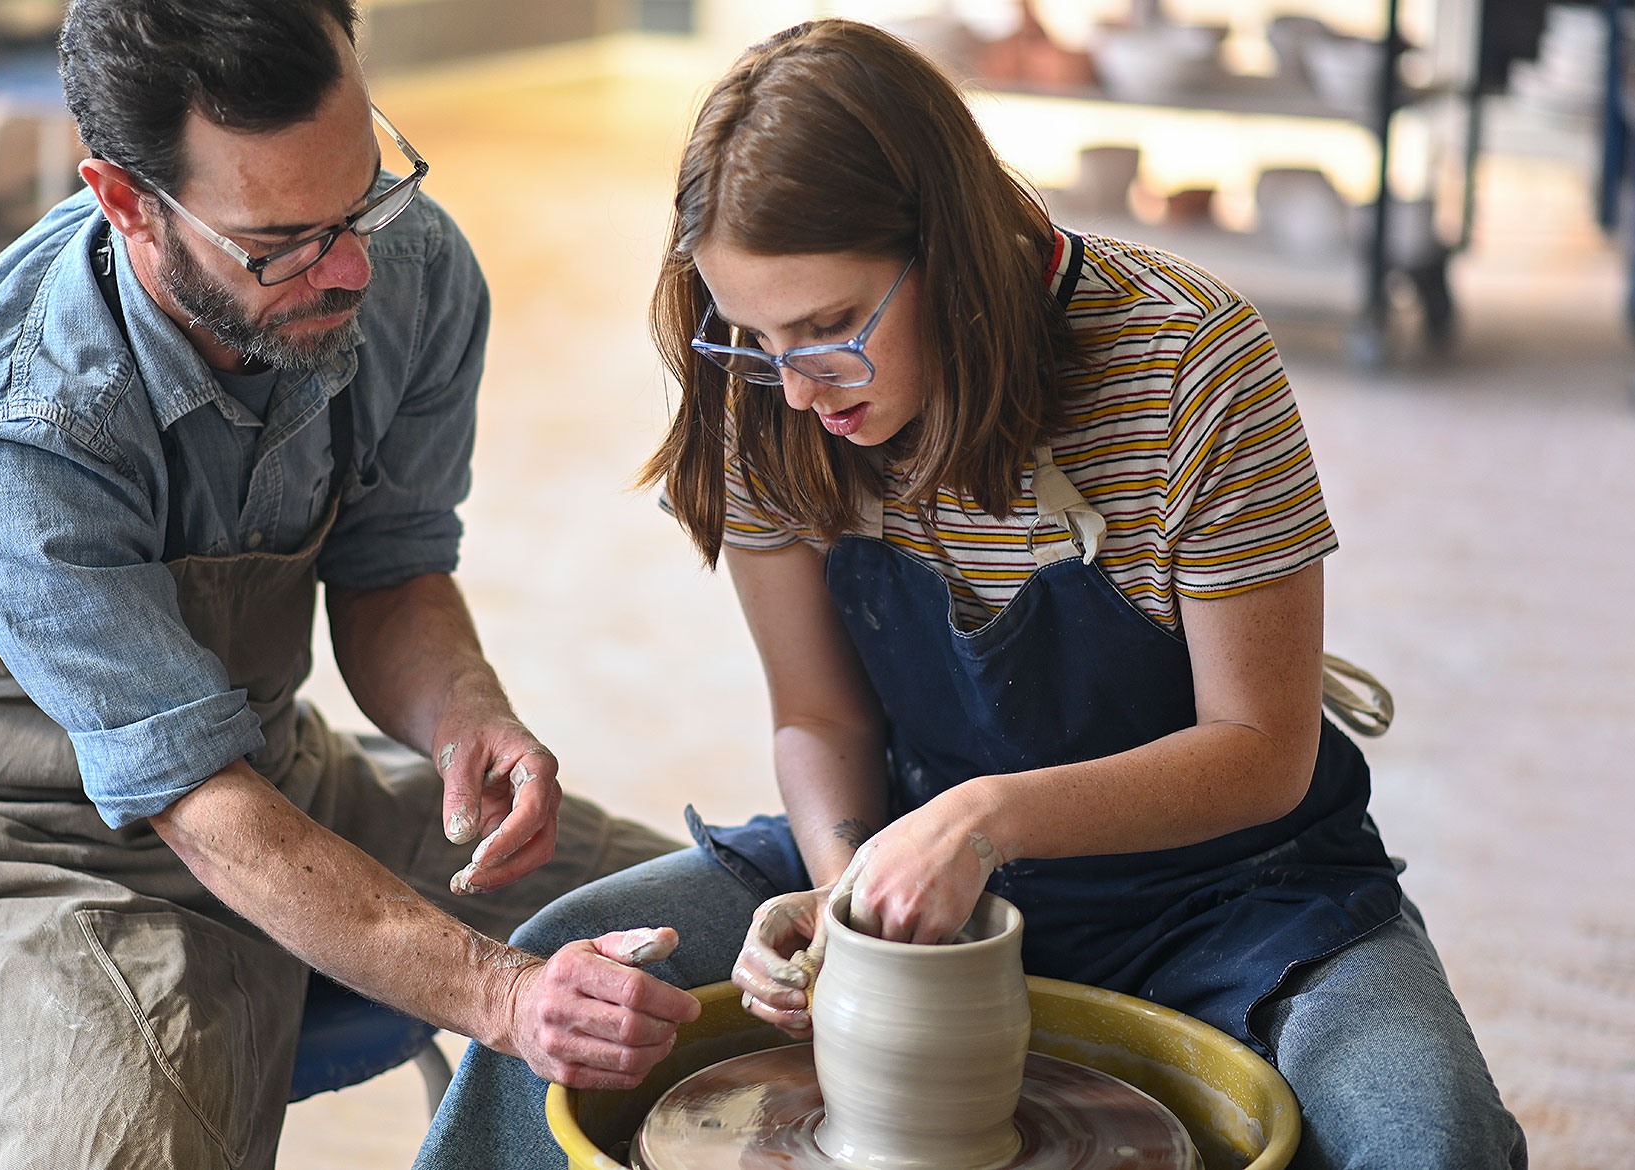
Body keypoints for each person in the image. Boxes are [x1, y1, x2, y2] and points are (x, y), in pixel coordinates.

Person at [412, 18, 1527, 1170]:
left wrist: (983, 820)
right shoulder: (764, 398)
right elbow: (821, 718)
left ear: (950, 250)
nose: (797, 388)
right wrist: (850, 909)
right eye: (757, 337)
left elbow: (1261, 748)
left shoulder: (1190, 360)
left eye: (832, 327)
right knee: (564, 984)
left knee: (1425, 1136)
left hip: (1233, 893)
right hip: (912, 842)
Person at [0, 2, 702, 1165]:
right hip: (18, 833)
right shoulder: (20, 422)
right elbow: (199, 804)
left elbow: (392, 571)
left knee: (702, 937)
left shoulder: (414, 267)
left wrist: (465, 711)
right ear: (127, 202)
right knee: (133, 1142)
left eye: (362, 197)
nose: (351, 265)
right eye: (282, 239)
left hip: (264, 769)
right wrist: (500, 997)